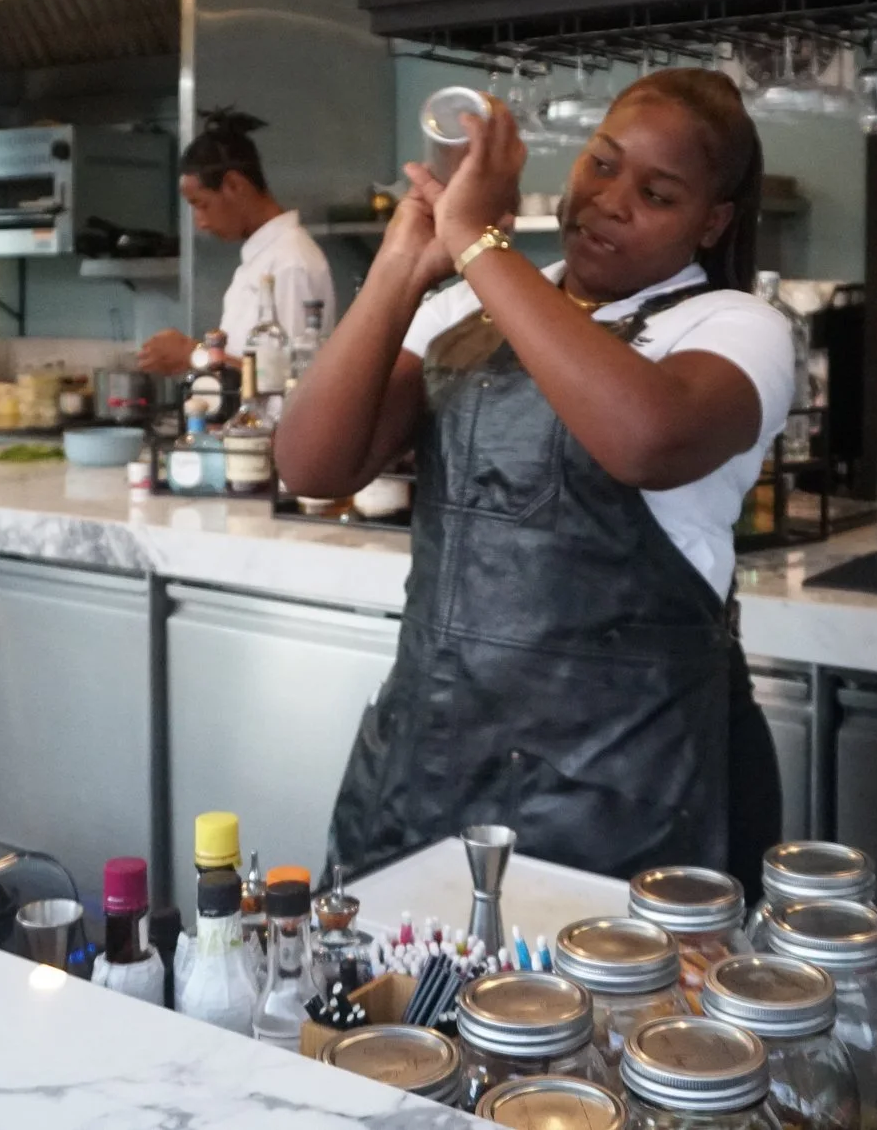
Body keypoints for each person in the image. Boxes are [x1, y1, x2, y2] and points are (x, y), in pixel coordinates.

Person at [277, 68, 793, 889]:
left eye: (658, 193)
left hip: (621, 800)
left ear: (712, 221)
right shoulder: (460, 313)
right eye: (602, 163)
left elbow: (644, 439)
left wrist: (481, 244)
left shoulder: (737, 327)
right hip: (425, 773)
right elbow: (312, 465)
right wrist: (406, 266)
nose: (611, 200)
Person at [138, 108, 335, 375]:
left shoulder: (291, 262)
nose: (200, 222)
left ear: (234, 185)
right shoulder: (259, 260)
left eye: (202, 205)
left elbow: (290, 384)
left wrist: (193, 355)